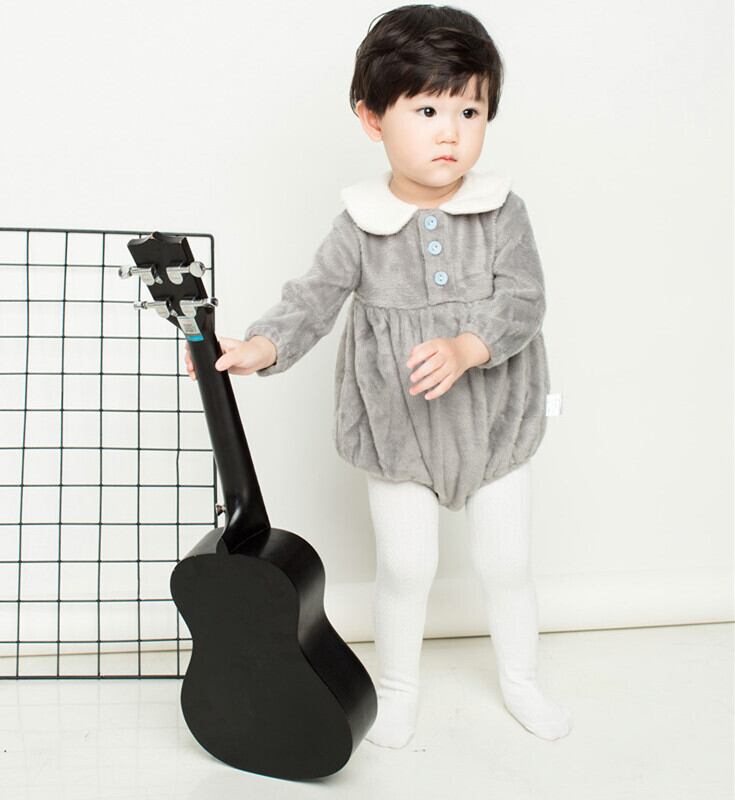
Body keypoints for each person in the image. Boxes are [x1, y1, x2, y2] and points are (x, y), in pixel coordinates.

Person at [185, 3, 572, 749]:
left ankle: (521, 681)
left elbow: (524, 299)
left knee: (506, 563)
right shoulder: (359, 224)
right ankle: (396, 691)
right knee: (405, 566)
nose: (450, 132)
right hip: (397, 431)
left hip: (495, 423)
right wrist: (263, 345)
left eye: (469, 111)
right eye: (427, 110)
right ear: (372, 118)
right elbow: (313, 297)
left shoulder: (500, 212)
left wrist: (468, 346)